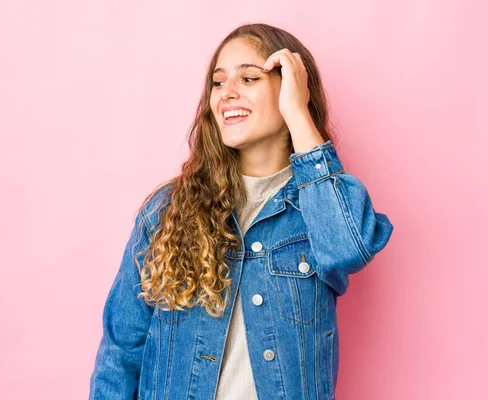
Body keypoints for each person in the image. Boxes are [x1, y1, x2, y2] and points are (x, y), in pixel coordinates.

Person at [89, 22, 394, 400]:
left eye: (249, 78)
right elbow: (122, 352)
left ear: (293, 90)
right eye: (218, 83)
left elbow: (347, 249)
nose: (227, 93)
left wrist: (298, 116)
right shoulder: (166, 211)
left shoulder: (319, 208)